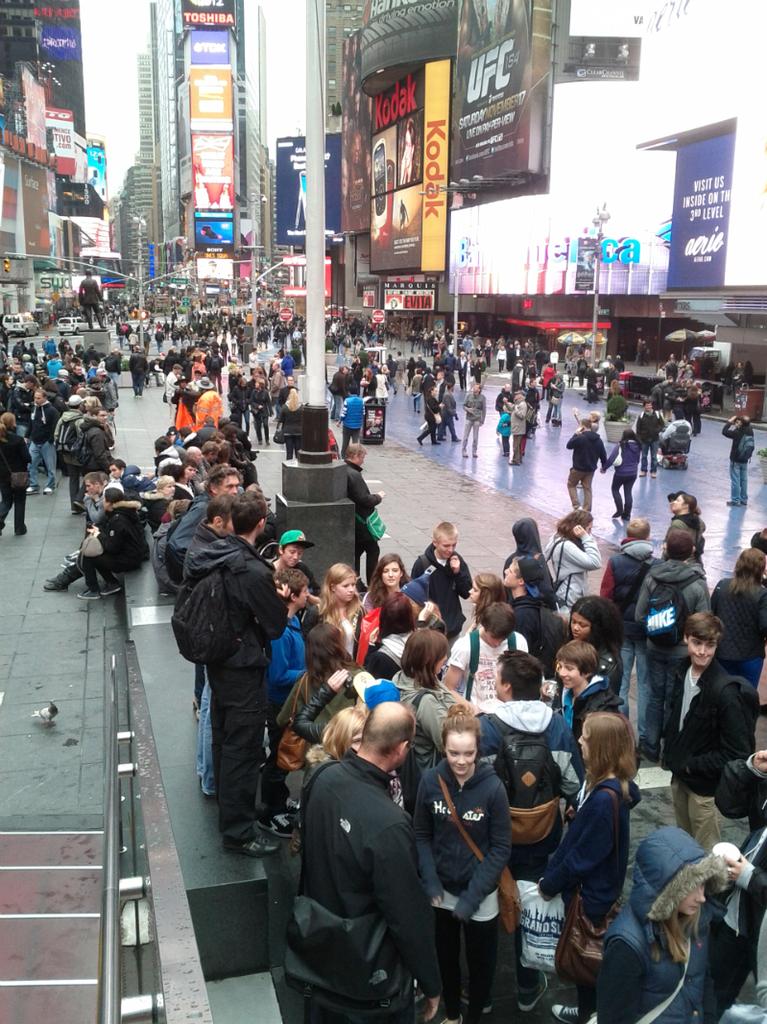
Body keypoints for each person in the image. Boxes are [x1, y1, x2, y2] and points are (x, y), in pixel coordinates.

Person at [298, 702, 442, 1023]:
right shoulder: (390, 824)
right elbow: (406, 915)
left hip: (319, 949)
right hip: (369, 974)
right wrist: (430, 982)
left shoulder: (321, 777)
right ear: (401, 749)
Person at [480, 651, 583, 1010]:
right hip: (541, 833)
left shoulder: (487, 727)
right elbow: (573, 784)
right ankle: (527, 987)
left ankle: (483, 995)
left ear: (506, 687)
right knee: (529, 905)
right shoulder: (556, 726)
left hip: (494, 837)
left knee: (486, 910)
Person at [541, 712, 641, 1024]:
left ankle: (590, 1014)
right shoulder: (613, 787)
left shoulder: (602, 801)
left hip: (591, 897)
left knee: (585, 955)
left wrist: (550, 884)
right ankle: (589, 1011)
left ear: (601, 748)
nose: (580, 741)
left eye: (585, 737)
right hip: (601, 890)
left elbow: (582, 857)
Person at [414, 707, 511, 1024]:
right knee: (446, 959)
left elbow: (500, 848)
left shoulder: (493, 789)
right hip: (441, 891)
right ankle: (453, 1014)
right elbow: (421, 834)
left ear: (478, 750)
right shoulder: (430, 781)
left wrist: (472, 896)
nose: (461, 761)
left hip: (480, 895)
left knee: (481, 965)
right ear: (443, 747)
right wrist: (430, 879)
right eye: (454, 753)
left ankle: (474, 1017)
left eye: (468, 753)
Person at [205, 493, 290, 857]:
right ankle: (238, 831)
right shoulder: (252, 571)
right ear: (260, 524)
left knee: (224, 739)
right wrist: (279, 600)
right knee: (243, 748)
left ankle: (231, 809)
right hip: (243, 668)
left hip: (220, 660)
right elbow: (275, 625)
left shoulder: (215, 553)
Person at [597, 826, 728, 1024]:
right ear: (667, 891)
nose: (702, 897)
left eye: (703, 884)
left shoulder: (696, 918)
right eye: (691, 887)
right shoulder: (627, 945)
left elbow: (703, 980)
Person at [663, 612, 758, 850]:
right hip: (680, 776)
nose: (703, 652)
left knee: (705, 855)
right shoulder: (682, 670)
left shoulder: (726, 692)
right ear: (686, 638)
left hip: (704, 790)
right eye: (697, 643)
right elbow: (676, 718)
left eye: (710, 645)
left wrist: (691, 765)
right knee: (684, 846)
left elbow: (737, 752)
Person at [634, 529, 710, 763]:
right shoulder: (697, 583)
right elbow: (705, 621)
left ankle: (650, 746)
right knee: (675, 699)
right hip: (681, 651)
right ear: (692, 551)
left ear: (666, 548)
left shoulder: (653, 577)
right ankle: (670, 748)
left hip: (655, 646)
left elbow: (639, 615)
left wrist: (657, 628)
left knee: (655, 696)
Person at [713, 747, 767, 1016]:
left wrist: (749, 877)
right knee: (714, 992)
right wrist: (751, 769)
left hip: (761, 927)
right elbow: (728, 804)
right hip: (739, 916)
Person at [259, 567, 309, 837]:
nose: (308, 595)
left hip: (289, 700)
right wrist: (308, 674)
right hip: (280, 703)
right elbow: (278, 675)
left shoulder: (292, 622)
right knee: (279, 757)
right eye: (305, 591)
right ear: (293, 596)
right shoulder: (280, 632)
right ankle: (271, 811)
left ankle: (280, 798)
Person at [600, 518, 655, 721]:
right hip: (645, 629)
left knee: (621, 680)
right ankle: (644, 732)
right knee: (644, 683)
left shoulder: (615, 562)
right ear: (648, 537)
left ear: (627, 536)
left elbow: (606, 595)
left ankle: (622, 726)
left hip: (622, 627)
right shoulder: (656, 564)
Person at [444, 602, 528, 711]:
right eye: (494, 637)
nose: (497, 643)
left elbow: (525, 680)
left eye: (503, 639)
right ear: (484, 626)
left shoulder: (518, 642)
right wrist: (471, 709)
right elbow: (449, 688)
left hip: (510, 713)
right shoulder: (465, 646)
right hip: (477, 713)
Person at [77, 485, 150, 600]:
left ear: (109, 503)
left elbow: (112, 547)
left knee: (90, 557)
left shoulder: (118, 519)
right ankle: (111, 583)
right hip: (136, 554)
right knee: (96, 554)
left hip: (129, 560)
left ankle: (93, 589)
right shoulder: (127, 512)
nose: (102, 503)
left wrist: (98, 534)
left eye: (104, 500)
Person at [711, 548, 767, 687]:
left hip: (722, 652)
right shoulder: (762, 594)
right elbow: (765, 626)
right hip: (750, 655)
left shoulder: (722, 585)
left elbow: (711, 614)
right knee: (747, 694)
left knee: (721, 691)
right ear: (761, 569)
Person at [411, 522, 472, 640]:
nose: (450, 550)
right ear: (435, 543)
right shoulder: (422, 564)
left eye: (454, 545)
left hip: (453, 628)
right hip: (431, 631)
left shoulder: (457, 560)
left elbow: (467, 593)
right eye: (446, 546)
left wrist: (457, 573)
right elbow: (413, 597)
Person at [556, 640, 622, 742]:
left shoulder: (601, 709)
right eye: (560, 666)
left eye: (569, 668)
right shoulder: (564, 691)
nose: (561, 673)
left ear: (587, 672)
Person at [543, 510, 601, 611]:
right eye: (589, 529)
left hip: (565, 592)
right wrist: (586, 538)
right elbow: (595, 562)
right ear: (580, 528)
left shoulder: (558, 537)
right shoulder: (567, 546)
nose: (589, 533)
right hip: (569, 596)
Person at [345, 443, 384, 587]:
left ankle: (356, 580)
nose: (363, 461)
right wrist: (378, 497)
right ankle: (372, 584)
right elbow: (364, 499)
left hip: (353, 520)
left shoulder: (344, 469)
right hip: (361, 522)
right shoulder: (354, 474)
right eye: (362, 457)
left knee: (357, 551)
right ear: (355, 456)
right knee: (373, 550)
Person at [568, 596, 624, 696]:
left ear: (596, 628)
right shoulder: (571, 645)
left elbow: (608, 698)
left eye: (582, 625)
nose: (575, 628)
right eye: (573, 622)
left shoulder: (607, 664)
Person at [318, 562, 363, 657]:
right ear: (333, 587)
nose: (351, 590)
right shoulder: (318, 612)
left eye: (353, 584)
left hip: (352, 664)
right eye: (345, 586)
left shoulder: (359, 610)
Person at [565, 417, 607, 512]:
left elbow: (569, 445)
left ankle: (576, 505)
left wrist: (575, 434)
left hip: (578, 468)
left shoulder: (580, 438)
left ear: (582, 427)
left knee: (571, 485)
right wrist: (604, 467)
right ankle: (587, 509)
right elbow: (603, 455)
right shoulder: (599, 440)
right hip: (590, 469)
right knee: (587, 488)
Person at [0, 411, 31, 537]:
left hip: (2, 475)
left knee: (6, 500)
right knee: (20, 501)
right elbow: (27, 458)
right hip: (19, 474)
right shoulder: (18, 440)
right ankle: (19, 528)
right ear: (13, 423)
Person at [25, 389, 59, 496]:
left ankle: (50, 485)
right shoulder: (34, 409)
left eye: (38, 398)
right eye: (35, 398)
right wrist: (27, 435)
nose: (36, 400)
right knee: (31, 464)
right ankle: (33, 485)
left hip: (47, 442)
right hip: (34, 441)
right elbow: (31, 423)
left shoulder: (52, 411)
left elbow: (55, 426)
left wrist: (51, 439)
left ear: (45, 398)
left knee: (50, 466)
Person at [602, 428, 641, 521]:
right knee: (628, 492)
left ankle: (619, 510)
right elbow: (638, 459)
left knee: (615, 489)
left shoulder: (621, 445)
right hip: (633, 473)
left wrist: (604, 468)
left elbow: (612, 458)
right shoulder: (638, 445)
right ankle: (627, 514)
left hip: (621, 473)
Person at [723, 414, 755, 507]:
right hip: (745, 459)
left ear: (741, 423)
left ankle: (735, 500)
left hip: (735, 459)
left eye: (738, 422)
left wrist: (730, 422)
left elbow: (724, 431)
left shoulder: (737, 432)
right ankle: (744, 499)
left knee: (735, 480)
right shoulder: (750, 430)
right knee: (744, 480)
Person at [635, 399, 664, 478]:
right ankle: (643, 470)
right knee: (644, 456)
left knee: (654, 456)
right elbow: (638, 429)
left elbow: (662, 425)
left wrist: (657, 430)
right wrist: (639, 439)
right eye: (647, 405)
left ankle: (653, 471)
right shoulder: (641, 416)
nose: (649, 407)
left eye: (650, 405)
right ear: (644, 406)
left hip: (655, 439)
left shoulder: (657, 414)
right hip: (644, 440)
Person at [277, 387, 303, 460]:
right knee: (298, 452)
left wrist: (278, 428)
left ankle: (289, 465)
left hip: (288, 431)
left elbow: (281, 419)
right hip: (298, 431)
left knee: (289, 452)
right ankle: (298, 464)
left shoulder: (285, 407)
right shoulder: (301, 407)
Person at [339, 383, 364, 457]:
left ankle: (343, 456)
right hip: (357, 426)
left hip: (347, 425)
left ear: (349, 392)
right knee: (355, 443)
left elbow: (344, 413)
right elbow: (363, 413)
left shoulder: (347, 400)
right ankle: (354, 457)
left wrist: (339, 421)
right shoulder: (361, 401)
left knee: (345, 442)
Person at [462, 382, 486, 458]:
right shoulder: (468, 396)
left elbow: (484, 409)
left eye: (476, 387)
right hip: (469, 418)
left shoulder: (482, 398)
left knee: (475, 437)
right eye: (474, 387)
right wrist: (468, 409)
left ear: (479, 390)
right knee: (465, 436)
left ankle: (474, 451)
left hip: (477, 419)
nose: (474, 388)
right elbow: (463, 405)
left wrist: (482, 420)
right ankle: (464, 450)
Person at [509, 391, 527, 465]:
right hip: (516, 427)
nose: (515, 396)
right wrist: (506, 403)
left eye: (517, 395)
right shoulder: (517, 403)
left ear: (521, 396)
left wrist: (516, 409)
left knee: (516, 445)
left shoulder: (522, 404)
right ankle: (518, 459)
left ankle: (516, 460)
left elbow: (522, 415)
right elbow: (510, 409)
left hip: (518, 428)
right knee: (518, 445)